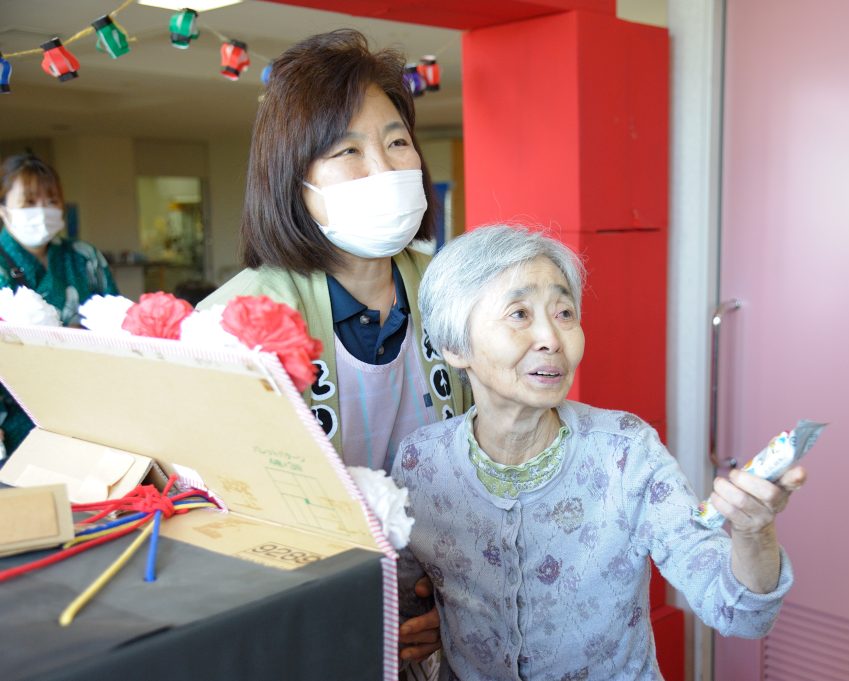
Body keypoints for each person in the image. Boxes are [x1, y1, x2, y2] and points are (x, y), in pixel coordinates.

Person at [393, 225, 806, 680]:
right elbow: (400, 612)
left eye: (564, 313)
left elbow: (741, 614)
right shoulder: (421, 464)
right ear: (455, 346)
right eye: (519, 314)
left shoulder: (625, 452)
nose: (552, 338)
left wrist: (753, 533)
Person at [197, 29, 471, 664]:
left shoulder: (455, 287)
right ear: (294, 182)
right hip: (309, 619)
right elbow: (224, 503)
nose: (385, 168)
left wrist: (458, 602)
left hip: (446, 607)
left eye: (397, 142)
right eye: (347, 150)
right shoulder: (237, 320)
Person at [0, 153, 119, 460]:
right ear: (3, 209)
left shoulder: (83, 256)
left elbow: (115, 322)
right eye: (29, 202)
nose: (42, 210)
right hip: (13, 410)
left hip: (82, 400)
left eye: (51, 200)